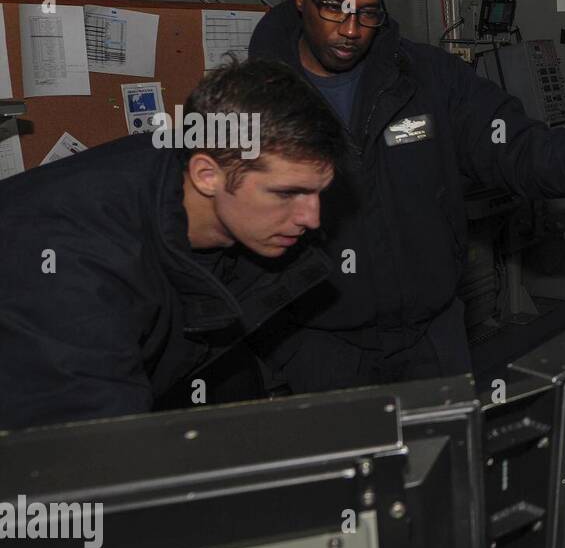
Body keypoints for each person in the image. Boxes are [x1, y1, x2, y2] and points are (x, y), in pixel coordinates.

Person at [247, 0, 565, 395]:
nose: (351, 29)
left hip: (430, 342)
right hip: (323, 349)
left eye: (368, 12)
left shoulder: (425, 79)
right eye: (333, 8)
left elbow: (514, 143)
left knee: (447, 464)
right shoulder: (256, 100)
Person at [0, 59, 343, 429]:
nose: (312, 218)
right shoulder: (74, 265)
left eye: (318, 193)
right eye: (288, 193)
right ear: (206, 175)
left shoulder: (195, 176)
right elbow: (88, 453)